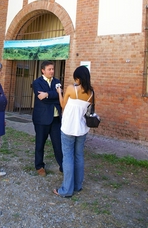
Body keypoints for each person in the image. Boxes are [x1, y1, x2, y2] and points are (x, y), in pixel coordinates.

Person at [53, 65, 93, 197]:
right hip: (82, 129)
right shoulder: (91, 93)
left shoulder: (71, 89)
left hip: (69, 127)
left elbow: (63, 105)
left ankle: (66, 190)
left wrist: (60, 92)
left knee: (68, 157)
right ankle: (77, 185)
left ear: (78, 78)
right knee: (79, 156)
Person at [32, 60, 63, 176]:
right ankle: (39, 166)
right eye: (49, 69)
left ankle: (63, 166)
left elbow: (61, 95)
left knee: (58, 144)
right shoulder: (37, 83)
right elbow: (42, 98)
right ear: (43, 70)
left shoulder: (57, 81)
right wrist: (54, 94)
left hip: (56, 119)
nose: (52, 71)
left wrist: (48, 94)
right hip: (41, 119)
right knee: (40, 144)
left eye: (53, 69)